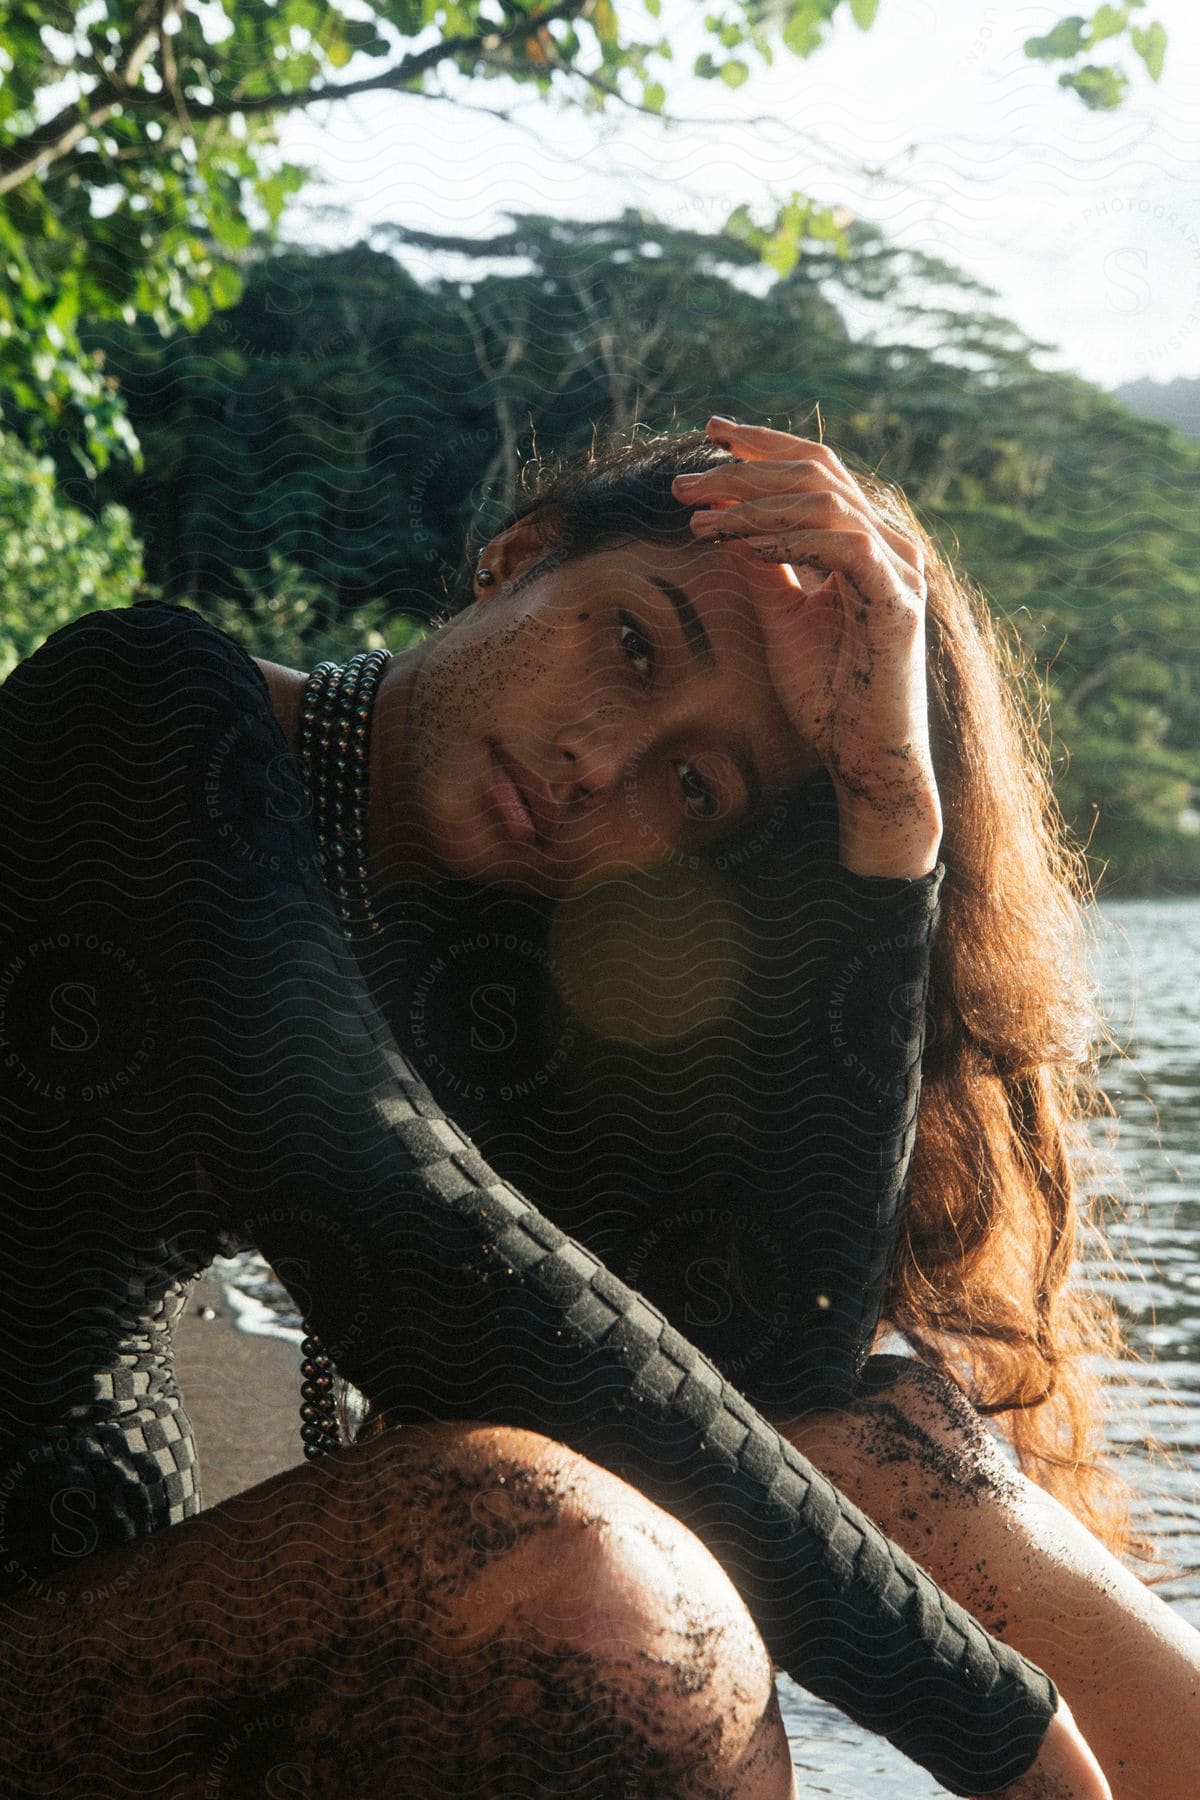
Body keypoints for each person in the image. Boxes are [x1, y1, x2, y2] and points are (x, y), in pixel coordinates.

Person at [0, 413, 1126, 1797]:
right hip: (57, 1669)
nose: (608, 761)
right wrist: (1005, 1734)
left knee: (857, 1463)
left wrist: (891, 822)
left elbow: (772, 1366)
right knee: (590, 1582)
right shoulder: (141, 712)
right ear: (514, 558)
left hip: (113, 1641)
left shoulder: (473, 968)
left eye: (696, 787)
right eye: (636, 642)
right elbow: (409, 1232)